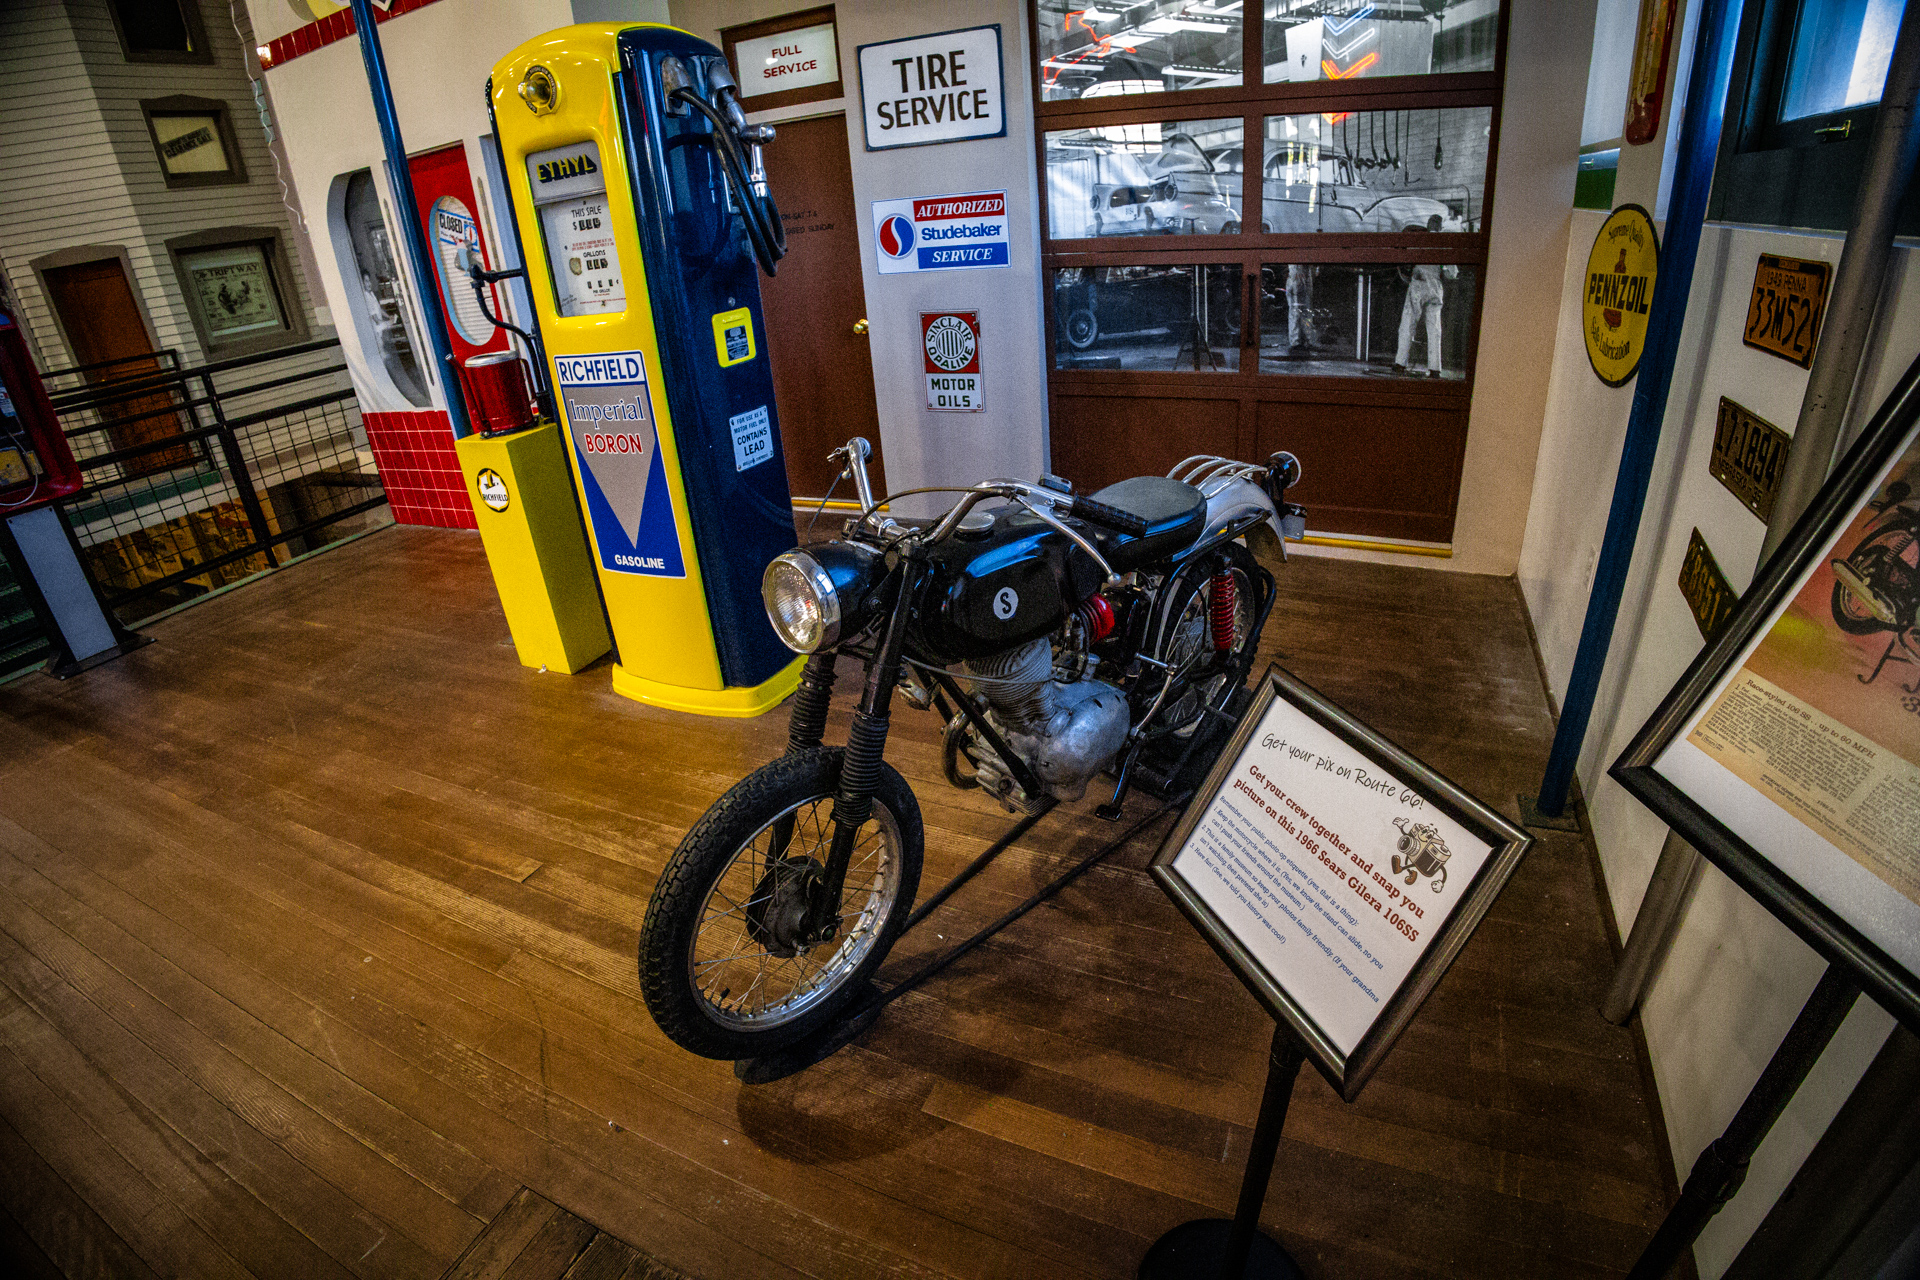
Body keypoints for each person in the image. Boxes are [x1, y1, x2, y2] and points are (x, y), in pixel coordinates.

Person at [1395, 261, 1456, 376]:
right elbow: (1452, 274)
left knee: (1408, 323)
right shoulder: (1446, 249)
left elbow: (1403, 271)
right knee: (1434, 329)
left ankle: (1400, 364)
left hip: (1418, 282)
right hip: (1435, 286)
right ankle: (1435, 369)